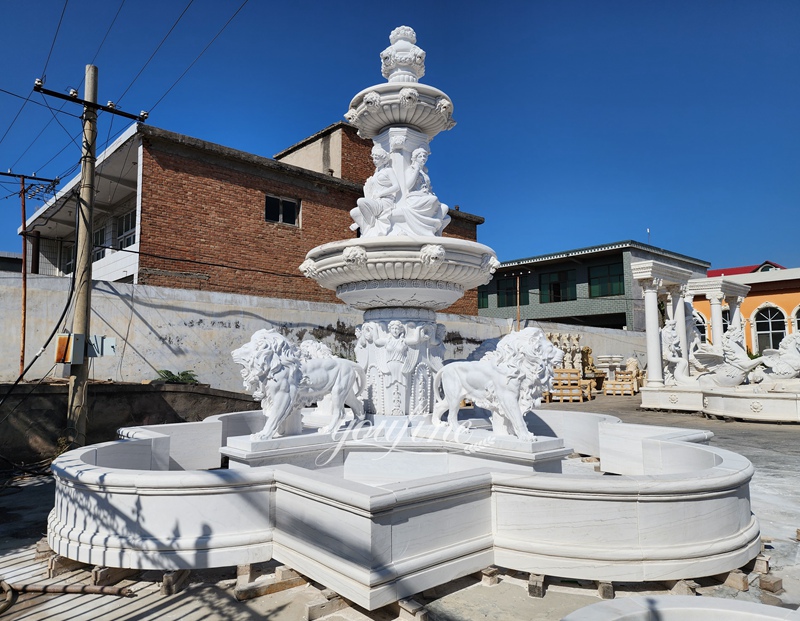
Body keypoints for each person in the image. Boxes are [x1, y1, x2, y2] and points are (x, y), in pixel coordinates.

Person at [390, 148, 450, 236]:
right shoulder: (411, 170)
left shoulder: (425, 173)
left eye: (424, 156)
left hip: (426, 197)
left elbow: (429, 189)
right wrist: (416, 171)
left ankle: (433, 228)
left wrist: (429, 193)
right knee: (433, 200)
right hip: (414, 198)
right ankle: (428, 228)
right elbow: (408, 186)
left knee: (445, 208)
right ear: (415, 158)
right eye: (420, 156)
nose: (423, 158)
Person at [350, 146, 399, 237]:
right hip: (376, 201)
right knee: (354, 212)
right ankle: (367, 232)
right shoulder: (376, 173)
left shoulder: (388, 170)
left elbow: (396, 187)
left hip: (385, 201)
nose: (374, 160)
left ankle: (372, 225)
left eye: (377, 158)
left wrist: (381, 193)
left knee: (360, 201)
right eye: (374, 158)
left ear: (383, 159)